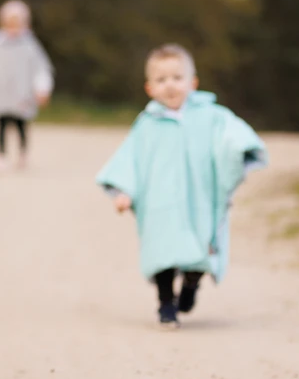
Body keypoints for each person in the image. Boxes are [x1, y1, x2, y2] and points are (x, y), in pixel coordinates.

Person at [96, 44, 267, 328]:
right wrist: (123, 191)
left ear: (193, 82)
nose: (170, 86)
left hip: (199, 197)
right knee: (163, 249)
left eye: (177, 77)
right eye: (161, 80)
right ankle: (165, 303)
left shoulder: (212, 116)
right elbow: (130, 159)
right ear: (149, 88)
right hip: (159, 201)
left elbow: (234, 137)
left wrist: (240, 152)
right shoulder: (147, 124)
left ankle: (190, 284)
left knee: (199, 246)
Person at [0, 0, 54, 169]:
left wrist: (42, 89)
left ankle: (22, 153)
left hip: (22, 93)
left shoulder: (29, 44)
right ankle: (1, 156)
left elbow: (40, 68)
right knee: (0, 124)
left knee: (21, 124)